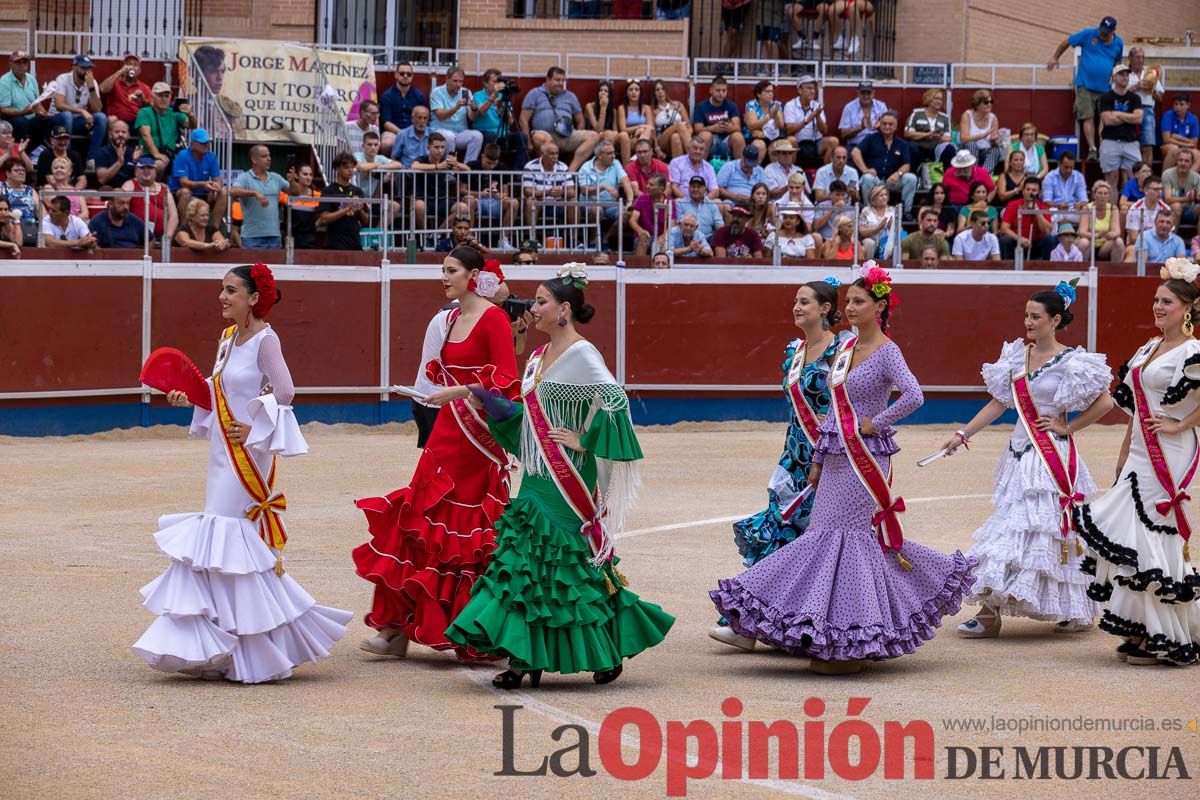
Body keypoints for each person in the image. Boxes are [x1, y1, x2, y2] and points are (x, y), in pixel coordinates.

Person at [712, 264, 977, 673]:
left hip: (866, 456)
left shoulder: (888, 351)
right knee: (823, 538)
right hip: (836, 454)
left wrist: (876, 422)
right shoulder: (845, 349)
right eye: (848, 302)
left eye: (859, 301)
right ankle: (834, 634)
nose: (850, 308)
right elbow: (834, 410)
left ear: (879, 306)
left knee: (846, 540)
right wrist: (817, 459)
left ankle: (850, 639)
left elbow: (914, 395)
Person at [446, 265, 674, 687]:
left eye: (540, 301)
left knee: (569, 563)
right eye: (534, 301)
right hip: (537, 472)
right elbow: (526, 416)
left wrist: (586, 440)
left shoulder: (583, 355)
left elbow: (615, 400)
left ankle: (603, 646)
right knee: (526, 560)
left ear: (563, 309)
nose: (532, 309)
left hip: (568, 473)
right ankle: (522, 656)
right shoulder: (535, 358)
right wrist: (471, 394)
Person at [132, 264, 352, 682]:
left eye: (231, 290)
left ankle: (244, 650)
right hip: (223, 452)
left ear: (254, 298)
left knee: (228, 538)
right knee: (220, 541)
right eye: (221, 289)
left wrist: (256, 427)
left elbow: (285, 391)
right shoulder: (228, 338)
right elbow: (218, 390)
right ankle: (225, 647)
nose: (222, 297)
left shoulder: (266, 340)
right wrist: (189, 399)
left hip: (247, 453)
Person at [355, 249, 521, 660]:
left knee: (466, 533)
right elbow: (436, 373)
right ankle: (394, 628)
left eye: (452, 271)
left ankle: (477, 629)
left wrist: (463, 391)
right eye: (443, 271)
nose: (444, 277)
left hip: (478, 437)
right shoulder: (447, 319)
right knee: (417, 518)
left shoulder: (493, 319)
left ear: (473, 275)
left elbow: (507, 380)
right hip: (446, 429)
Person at [947, 284, 1112, 637]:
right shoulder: (1016, 357)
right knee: (1014, 525)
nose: (1028, 322)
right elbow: (998, 403)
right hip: (1020, 454)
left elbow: (1106, 402)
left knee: (1053, 531)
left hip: (1051, 457)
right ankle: (990, 611)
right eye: (1026, 315)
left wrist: (1068, 426)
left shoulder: (1073, 362)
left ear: (1055, 320)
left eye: (1035, 317)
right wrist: (963, 435)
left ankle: (1072, 608)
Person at [1077, 265, 1200, 666]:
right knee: (1127, 527)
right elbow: (1133, 411)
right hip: (1140, 452)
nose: (1157, 307)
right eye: (1155, 300)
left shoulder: (1192, 351)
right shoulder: (1148, 349)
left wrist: (1181, 423)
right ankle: (1141, 625)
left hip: (1172, 452)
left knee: (1153, 530)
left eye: (1166, 301)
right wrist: (1122, 454)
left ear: (1187, 309)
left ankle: (1159, 634)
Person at [712, 279, 845, 650]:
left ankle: (809, 624)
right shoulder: (795, 351)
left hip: (831, 458)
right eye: (795, 302)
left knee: (820, 542)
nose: (797, 307)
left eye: (805, 302)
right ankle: (746, 622)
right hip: (793, 456)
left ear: (825, 307)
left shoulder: (842, 349)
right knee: (781, 532)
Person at [1047, 15, 1123, 162]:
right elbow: (1067, 41)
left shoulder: (1119, 42)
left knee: (1104, 118)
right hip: (1085, 85)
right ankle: (1092, 150)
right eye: (1101, 31)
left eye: (1106, 32)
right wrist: (1055, 57)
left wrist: (1116, 75)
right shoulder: (1089, 33)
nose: (1102, 34)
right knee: (1087, 116)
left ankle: (1104, 149)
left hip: (1105, 87)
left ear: (1113, 31)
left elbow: (1118, 61)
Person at [520, 66, 597, 172]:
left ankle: (570, 171)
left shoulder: (571, 96)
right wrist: (528, 143)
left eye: (563, 80)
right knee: (540, 137)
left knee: (593, 136)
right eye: (557, 80)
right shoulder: (535, 93)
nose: (561, 83)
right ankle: (552, 173)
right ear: (548, 80)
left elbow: (580, 120)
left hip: (567, 136)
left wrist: (576, 132)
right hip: (545, 135)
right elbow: (523, 119)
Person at [852, 111, 917, 219]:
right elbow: (855, 152)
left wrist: (897, 174)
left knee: (911, 178)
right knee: (867, 178)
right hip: (875, 180)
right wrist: (865, 170)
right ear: (880, 124)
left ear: (896, 126)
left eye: (890, 124)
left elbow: (906, 165)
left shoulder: (902, 144)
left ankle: (906, 212)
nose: (887, 126)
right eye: (884, 123)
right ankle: (869, 212)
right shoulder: (871, 138)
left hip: (892, 181)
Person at [49, 54, 107, 167]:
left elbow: (97, 109)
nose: (87, 71)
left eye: (89, 68)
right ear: (74, 67)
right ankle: (67, 158)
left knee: (101, 118)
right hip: (57, 120)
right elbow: (59, 105)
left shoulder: (92, 82)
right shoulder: (63, 78)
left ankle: (91, 159)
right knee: (67, 115)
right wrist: (81, 111)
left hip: (76, 122)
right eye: (83, 67)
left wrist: (91, 87)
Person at [231, 145, 289, 249]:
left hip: (274, 236)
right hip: (251, 237)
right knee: (252, 266)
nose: (269, 158)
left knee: (273, 266)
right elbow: (233, 191)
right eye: (264, 156)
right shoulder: (244, 177)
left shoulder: (276, 177)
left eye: (269, 156)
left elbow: (295, 192)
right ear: (254, 159)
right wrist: (255, 193)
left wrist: (293, 181)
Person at [1099, 64, 1144, 197]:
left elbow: (1139, 119)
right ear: (1114, 77)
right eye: (1121, 74)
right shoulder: (1106, 97)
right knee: (1111, 181)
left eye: (1126, 74)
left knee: (1138, 179)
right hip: (1110, 141)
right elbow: (1107, 120)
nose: (1125, 77)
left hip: (1131, 142)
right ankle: (1113, 214)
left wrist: (1118, 114)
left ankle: (1135, 214)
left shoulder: (1135, 98)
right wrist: (1129, 117)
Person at [134, 82, 192, 178]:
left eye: (167, 96)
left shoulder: (175, 112)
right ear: (153, 96)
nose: (164, 99)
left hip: (170, 154)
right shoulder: (144, 112)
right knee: (159, 164)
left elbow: (191, 126)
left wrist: (190, 114)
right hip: (148, 155)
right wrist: (156, 154)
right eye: (160, 96)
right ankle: (154, 189)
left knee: (189, 163)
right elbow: (145, 135)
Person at [429, 66, 485, 164]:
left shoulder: (466, 92)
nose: (458, 84)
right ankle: (450, 171)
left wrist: (474, 108)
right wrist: (456, 107)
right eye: (455, 81)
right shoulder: (437, 92)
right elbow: (440, 115)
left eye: (461, 81)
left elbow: (472, 118)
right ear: (447, 79)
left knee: (478, 136)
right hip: (440, 131)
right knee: (449, 136)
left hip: (460, 132)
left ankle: (468, 167)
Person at [171, 129, 226, 226]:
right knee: (185, 192)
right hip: (180, 192)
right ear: (192, 144)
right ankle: (184, 229)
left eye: (207, 142)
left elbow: (216, 178)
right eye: (202, 142)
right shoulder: (183, 155)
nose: (206, 145)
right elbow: (183, 182)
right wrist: (203, 184)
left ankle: (215, 229)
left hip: (203, 192)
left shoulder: (211, 156)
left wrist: (215, 188)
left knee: (223, 192)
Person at [0, 50, 51, 147]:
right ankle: (18, 152)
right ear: (10, 64)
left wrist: (44, 113)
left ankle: (32, 150)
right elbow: (3, 110)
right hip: (13, 119)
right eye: (18, 62)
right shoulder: (4, 81)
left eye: (24, 62)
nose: (21, 65)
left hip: (29, 117)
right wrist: (22, 112)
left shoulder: (31, 78)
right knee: (22, 122)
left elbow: (37, 102)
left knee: (46, 121)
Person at [122, 155, 179, 243]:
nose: (146, 170)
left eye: (150, 168)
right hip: (136, 238)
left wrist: (167, 237)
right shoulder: (130, 185)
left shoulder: (164, 189)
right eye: (142, 168)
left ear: (155, 172)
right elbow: (121, 208)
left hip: (161, 238)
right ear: (136, 171)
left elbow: (174, 216)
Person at [317, 152, 366, 251]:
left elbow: (366, 221)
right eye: (346, 167)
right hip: (335, 244)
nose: (350, 170)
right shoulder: (328, 191)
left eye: (352, 167)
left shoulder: (358, 191)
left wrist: (360, 210)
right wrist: (347, 208)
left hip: (355, 244)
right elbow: (324, 218)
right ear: (337, 169)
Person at [784, 74, 837, 165]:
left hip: (815, 143)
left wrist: (818, 117)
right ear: (800, 90)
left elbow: (825, 131)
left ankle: (825, 173)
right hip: (798, 143)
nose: (812, 91)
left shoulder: (816, 105)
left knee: (833, 141)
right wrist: (807, 120)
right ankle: (790, 173)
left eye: (813, 89)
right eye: (809, 88)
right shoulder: (790, 105)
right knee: (790, 140)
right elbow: (789, 130)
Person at [1000, 175, 1054, 260]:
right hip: (1017, 243)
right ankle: (1006, 270)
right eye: (1028, 189)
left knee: (1049, 240)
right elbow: (1004, 229)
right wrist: (1019, 239)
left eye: (1034, 190)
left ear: (1039, 193)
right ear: (1023, 191)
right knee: (1004, 240)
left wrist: (1037, 212)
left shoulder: (1043, 207)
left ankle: (1046, 269)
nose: (1030, 192)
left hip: (1035, 244)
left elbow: (1047, 231)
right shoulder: (1013, 204)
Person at [692, 75, 745, 161]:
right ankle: (699, 169)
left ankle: (740, 170)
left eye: (724, 91)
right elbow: (697, 129)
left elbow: (738, 127)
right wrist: (713, 128)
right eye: (718, 90)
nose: (721, 93)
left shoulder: (731, 105)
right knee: (705, 135)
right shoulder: (701, 106)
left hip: (727, 141)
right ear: (711, 91)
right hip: (711, 142)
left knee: (738, 137)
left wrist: (730, 128)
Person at [1128, 47, 1165, 165]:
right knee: (1127, 145)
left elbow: (1160, 98)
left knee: (1147, 146)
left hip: (1147, 109)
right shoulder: (1124, 73)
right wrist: (1136, 87)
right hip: (1128, 109)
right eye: (1137, 57)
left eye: (1142, 57)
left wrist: (1151, 89)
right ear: (1130, 58)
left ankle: (1147, 179)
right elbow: (1116, 93)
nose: (1140, 60)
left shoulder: (1150, 74)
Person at [379, 62, 427, 154]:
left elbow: (423, 120)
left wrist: (413, 133)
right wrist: (402, 134)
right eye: (402, 73)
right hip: (393, 132)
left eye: (409, 74)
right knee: (386, 144)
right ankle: (386, 166)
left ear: (412, 77)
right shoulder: (387, 96)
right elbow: (386, 123)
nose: (405, 76)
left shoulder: (419, 96)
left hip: (415, 131)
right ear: (396, 75)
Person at [904, 87, 953, 170]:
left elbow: (948, 138)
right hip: (919, 147)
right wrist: (927, 135)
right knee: (912, 147)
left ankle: (946, 177)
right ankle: (914, 175)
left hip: (935, 148)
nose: (939, 101)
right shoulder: (917, 114)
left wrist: (939, 137)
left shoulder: (944, 117)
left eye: (941, 99)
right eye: (936, 98)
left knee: (949, 148)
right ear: (928, 99)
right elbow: (907, 133)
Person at [958, 89, 1005, 174]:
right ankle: (973, 172)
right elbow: (963, 138)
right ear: (977, 104)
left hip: (985, 150)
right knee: (972, 144)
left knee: (996, 149)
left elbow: (995, 141)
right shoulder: (967, 115)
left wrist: (996, 140)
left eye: (991, 102)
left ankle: (983, 174)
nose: (989, 104)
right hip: (968, 150)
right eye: (986, 102)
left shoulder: (993, 118)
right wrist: (982, 136)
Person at [1079, 179, 1126, 262]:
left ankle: (1115, 271)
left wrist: (1110, 234)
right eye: (1100, 193)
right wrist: (1097, 235)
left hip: (1104, 245)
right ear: (1094, 195)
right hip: (1089, 243)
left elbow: (1117, 231)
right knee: (1083, 242)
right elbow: (1082, 232)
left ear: (1108, 196)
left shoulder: (1113, 208)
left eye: (1105, 193)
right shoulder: (1086, 208)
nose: (1103, 196)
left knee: (1119, 241)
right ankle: (1083, 271)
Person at [584, 80, 630, 164]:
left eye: (606, 91)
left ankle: (627, 170)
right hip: (595, 137)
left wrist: (613, 134)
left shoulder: (613, 111)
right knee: (608, 133)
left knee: (624, 135)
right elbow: (598, 129)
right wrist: (603, 108)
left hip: (610, 137)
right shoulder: (590, 106)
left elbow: (615, 130)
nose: (603, 93)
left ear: (610, 95)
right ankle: (608, 162)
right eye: (601, 90)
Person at [99, 53, 150, 126]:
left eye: (135, 65)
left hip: (136, 122)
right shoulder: (114, 83)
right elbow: (102, 89)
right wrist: (120, 72)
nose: (131, 67)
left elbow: (152, 109)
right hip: (116, 122)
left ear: (139, 71)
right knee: (111, 119)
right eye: (129, 64)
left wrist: (144, 101)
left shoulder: (144, 88)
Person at [743, 81, 785, 163]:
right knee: (759, 146)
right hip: (755, 137)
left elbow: (780, 126)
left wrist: (776, 115)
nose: (770, 94)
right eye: (767, 91)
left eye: (772, 91)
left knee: (777, 147)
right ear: (758, 94)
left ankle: (775, 174)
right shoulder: (751, 105)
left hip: (773, 137)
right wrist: (769, 116)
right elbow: (752, 126)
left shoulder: (776, 104)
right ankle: (754, 172)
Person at [628, 173, 670, 256]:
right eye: (648, 184)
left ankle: (660, 267)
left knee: (663, 244)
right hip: (645, 235)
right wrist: (640, 231)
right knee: (643, 240)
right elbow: (632, 220)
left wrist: (663, 236)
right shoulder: (642, 198)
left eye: (651, 185)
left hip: (661, 236)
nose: (647, 186)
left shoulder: (669, 202)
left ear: (661, 189)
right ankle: (639, 266)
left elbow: (672, 224)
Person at [837, 81, 887, 149]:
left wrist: (880, 128)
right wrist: (861, 128)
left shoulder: (881, 106)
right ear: (858, 93)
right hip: (856, 145)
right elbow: (843, 134)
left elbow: (890, 131)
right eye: (863, 93)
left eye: (868, 93)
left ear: (873, 93)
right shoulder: (849, 107)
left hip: (877, 145)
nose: (866, 96)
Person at [650, 79, 691, 161]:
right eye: (657, 90)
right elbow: (652, 133)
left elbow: (689, 127)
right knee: (680, 125)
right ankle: (693, 155)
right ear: (654, 93)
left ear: (666, 91)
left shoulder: (678, 105)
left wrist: (684, 135)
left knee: (675, 137)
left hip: (680, 138)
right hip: (662, 139)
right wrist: (657, 149)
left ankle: (678, 170)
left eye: (662, 89)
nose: (660, 92)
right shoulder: (652, 110)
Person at [668, 134, 718, 200]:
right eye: (695, 148)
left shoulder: (709, 167)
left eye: (701, 149)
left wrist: (703, 202)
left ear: (704, 152)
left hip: (703, 201)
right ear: (688, 149)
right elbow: (674, 187)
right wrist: (689, 202)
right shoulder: (676, 162)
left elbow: (715, 191)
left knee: (718, 202)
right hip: (683, 200)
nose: (698, 151)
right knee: (677, 201)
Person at [35, 125, 84, 189]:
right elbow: (52, 181)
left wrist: (75, 192)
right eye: (59, 139)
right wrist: (70, 191)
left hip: (71, 190)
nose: (63, 142)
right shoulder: (45, 155)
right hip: (50, 191)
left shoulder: (75, 155)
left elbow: (82, 179)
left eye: (65, 138)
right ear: (52, 140)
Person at [1125, 175, 1171, 245]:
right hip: (1138, 246)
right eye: (1155, 189)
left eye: (1161, 189)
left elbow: (1168, 236)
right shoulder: (1135, 209)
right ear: (1146, 190)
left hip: (1159, 245)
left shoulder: (1166, 209)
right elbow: (1133, 239)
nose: (1159, 192)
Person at [284, 163, 320, 250]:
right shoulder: (286, 194)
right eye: (305, 174)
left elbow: (323, 215)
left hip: (309, 239)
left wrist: (314, 226)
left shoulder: (317, 195)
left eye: (311, 175)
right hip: (291, 238)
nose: (308, 177)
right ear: (296, 175)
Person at [617, 80, 656, 161]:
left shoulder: (646, 108)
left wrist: (643, 129)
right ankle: (635, 157)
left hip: (646, 137)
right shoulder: (622, 108)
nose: (634, 92)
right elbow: (623, 129)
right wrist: (640, 127)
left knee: (648, 130)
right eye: (631, 90)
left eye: (636, 90)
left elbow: (651, 127)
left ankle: (637, 154)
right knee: (645, 129)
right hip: (629, 139)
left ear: (640, 92)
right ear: (627, 93)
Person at [1163, 148, 1200, 228]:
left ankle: (1198, 239)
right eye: (1180, 160)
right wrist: (1187, 199)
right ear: (1176, 161)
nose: (1183, 163)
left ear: (1191, 163)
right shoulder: (1167, 174)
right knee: (1176, 206)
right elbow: (1168, 199)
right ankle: (1171, 238)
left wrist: (1197, 196)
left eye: (1186, 161)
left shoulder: (1196, 177)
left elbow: (1198, 195)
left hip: (1190, 210)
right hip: (1170, 211)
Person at [95, 119, 138, 189]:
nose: (120, 134)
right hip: (110, 190)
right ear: (110, 134)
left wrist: (136, 162)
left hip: (130, 189)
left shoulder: (134, 153)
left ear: (128, 135)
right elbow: (102, 179)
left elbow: (141, 180)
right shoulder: (102, 152)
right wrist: (119, 162)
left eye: (123, 132)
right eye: (117, 132)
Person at [42, 156, 87, 221]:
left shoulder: (76, 191)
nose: (58, 170)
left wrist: (73, 223)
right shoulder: (48, 188)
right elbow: (57, 209)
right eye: (56, 168)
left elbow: (85, 213)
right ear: (52, 171)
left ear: (70, 172)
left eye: (62, 168)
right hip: (57, 223)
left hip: (76, 224)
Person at [1161, 93, 1199, 170]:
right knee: (1174, 149)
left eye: (1181, 104)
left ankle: (1188, 179)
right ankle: (1165, 180)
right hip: (1169, 146)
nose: (1178, 107)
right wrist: (1187, 145)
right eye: (1176, 104)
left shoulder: (1193, 118)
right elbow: (1166, 140)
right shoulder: (1168, 115)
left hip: (1186, 147)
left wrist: (1176, 137)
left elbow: (1194, 142)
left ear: (1188, 105)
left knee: (1198, 154)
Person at [2, 161, 37, 245]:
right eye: (17, 170)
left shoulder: (30, 190)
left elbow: (41, 212)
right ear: (8, 173)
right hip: (7, 228)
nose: (21, 172)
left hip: (29, 229)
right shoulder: (1, 187)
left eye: (23, 170)